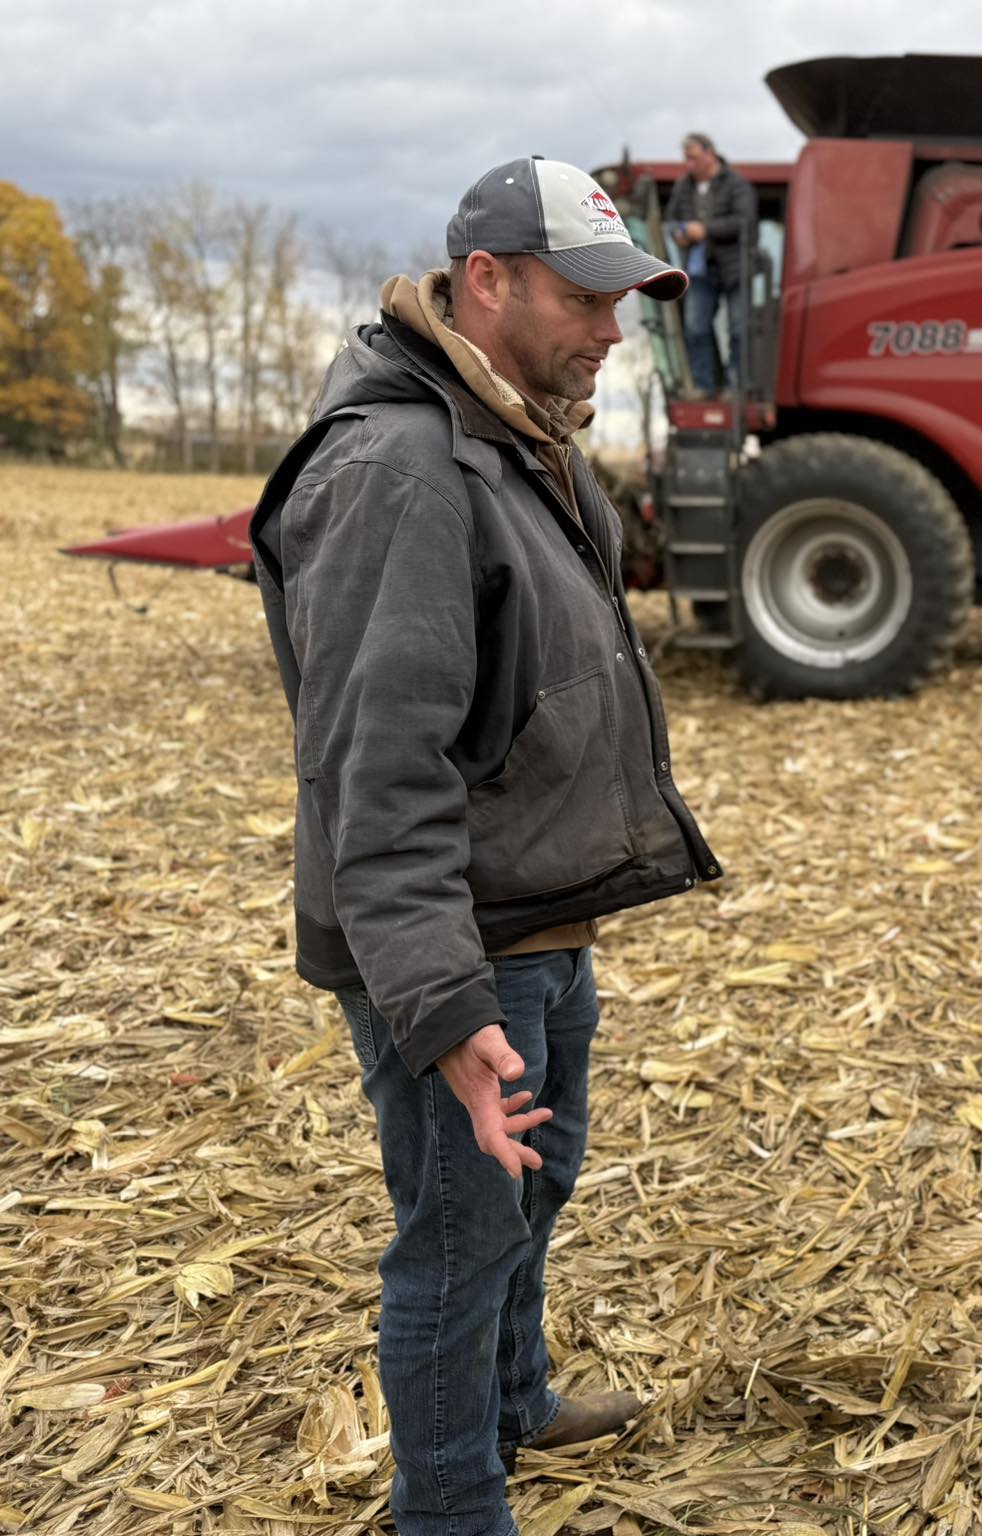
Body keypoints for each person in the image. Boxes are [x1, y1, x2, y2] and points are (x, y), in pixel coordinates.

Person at [248, 156, 721, 1536]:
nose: (612, 329)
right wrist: (447, 1011)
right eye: (585, 297)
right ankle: (449, 1508)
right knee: (456, 1241)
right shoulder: (403, 464)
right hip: (463, 947)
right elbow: (374, 773)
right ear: (486, 282)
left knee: (535, 1186)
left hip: (536, 918)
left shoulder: (509, 432)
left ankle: (515, 1400)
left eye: (624, 300)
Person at [663, 131, 757, 395]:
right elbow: (671, 219)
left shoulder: (736, 184)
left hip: (735, 268)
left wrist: (706, 230)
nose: (688, 164)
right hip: (700, 268)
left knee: (738, 329)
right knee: (696, 328)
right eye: (686, 159)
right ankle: (702, 386)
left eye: (693, 158)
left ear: (710, 155)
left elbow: (744, 222)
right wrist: (679, 233)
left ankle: (735, 385)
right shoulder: (684, 186)